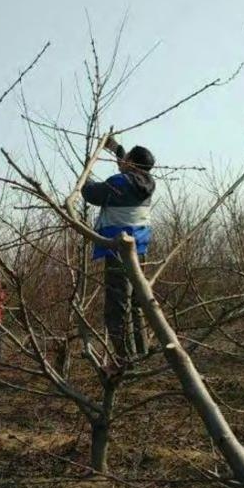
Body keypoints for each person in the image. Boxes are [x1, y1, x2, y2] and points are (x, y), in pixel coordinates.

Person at [81, 136, 156, 374]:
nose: (122, 163)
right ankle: (140, 354)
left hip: (118, 251)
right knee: (136, 303)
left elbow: (90, 193)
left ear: (131, 164)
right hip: (139, 250)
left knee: (117, 307)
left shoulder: (120, 183)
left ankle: (124, 362)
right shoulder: (146, 183)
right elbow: (127, 166)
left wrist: (86, 171)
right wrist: (116, 149)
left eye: (126, 160)